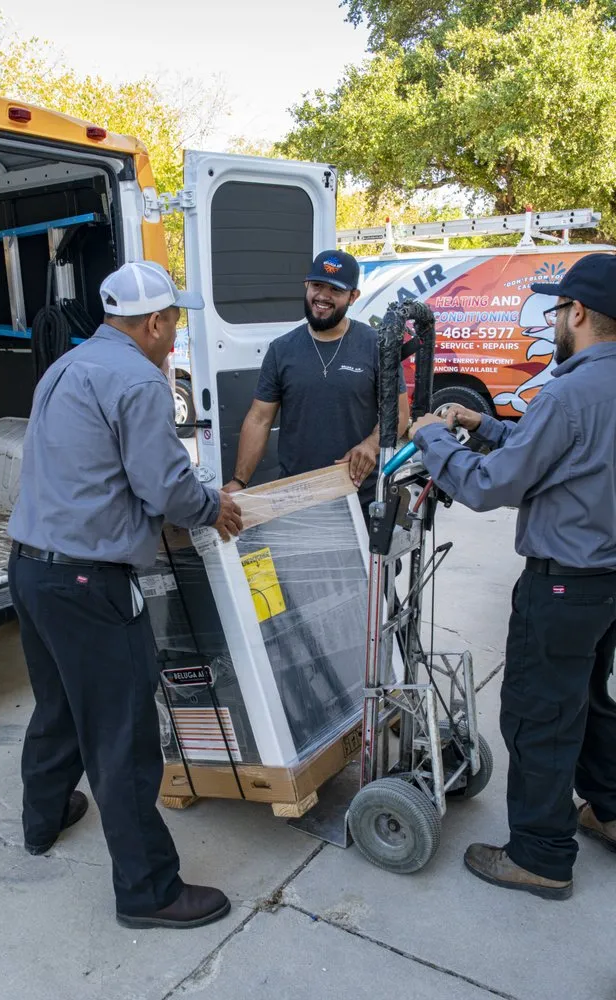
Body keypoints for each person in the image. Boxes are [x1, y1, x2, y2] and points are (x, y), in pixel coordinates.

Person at [8, 261, 243, 929]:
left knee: (59, 704)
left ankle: (43, 817)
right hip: (89, 582)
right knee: (122, 735)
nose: (175, 336)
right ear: (155, 323)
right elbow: (167, 488)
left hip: (31, 569)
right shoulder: (139, 380)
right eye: (174, 322)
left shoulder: (69, 365)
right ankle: (148, 891)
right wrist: (211, 506)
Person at [409, 253, 616, 901]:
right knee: (593, 701)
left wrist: (433, 441)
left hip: (563, 585)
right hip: (606, 584)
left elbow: (493, 486)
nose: (554, 322)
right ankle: (608, 809)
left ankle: (540, 854)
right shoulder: (598, 388)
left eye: (557, 311)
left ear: (577, 313)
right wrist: (486, 426)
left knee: (538, 715)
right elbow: (564, 454)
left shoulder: (572, 390)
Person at [223, 250, 410, 525]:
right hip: (297, 498)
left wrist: (371, 445)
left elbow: (400, 415)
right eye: (317, 286)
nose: (322, 296)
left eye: (335, 289)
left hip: (361, 497)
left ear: (353, 297)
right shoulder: (282, 350)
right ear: (306, 287)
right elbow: (259, 419)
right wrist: (239, 480)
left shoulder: (375, 345)